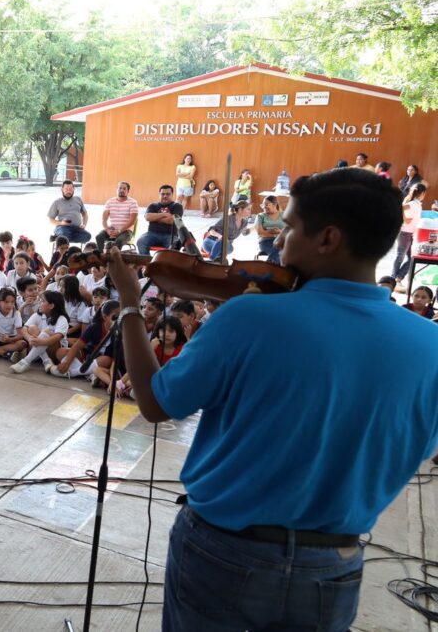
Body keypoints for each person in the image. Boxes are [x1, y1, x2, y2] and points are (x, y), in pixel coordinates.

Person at [104, 166, 438, 631]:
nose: (278, 242)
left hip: (224, 552)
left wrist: (129, 304)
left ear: (328, 239)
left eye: (289, 228)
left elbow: (157, 404)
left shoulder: (250, 317)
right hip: (334, 563)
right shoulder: (432, 347)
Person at [391, 183, 426, 287]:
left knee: (412, 258)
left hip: (410, 234)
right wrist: (404, 218)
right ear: (423, 193)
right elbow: (399, 207)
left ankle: (398, 277)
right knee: (400, 256)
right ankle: (394, 277)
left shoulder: (417, 204)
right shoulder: (412, 204)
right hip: (404, 233)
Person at [136, 185, 184, 255]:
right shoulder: (153, 205)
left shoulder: (177, 206)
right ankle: (147, 263)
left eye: (168, 194)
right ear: (159, 194)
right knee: (141, 241)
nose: (165, 196)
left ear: (172, 195)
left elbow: (172, 221)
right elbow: (147, 217)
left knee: (174, 245)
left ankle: (164, 265)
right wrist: (164, 215)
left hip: (170, 235)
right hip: (152, 234)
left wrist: (155, 218)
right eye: (162, 194)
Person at [95, 181, 140, 251]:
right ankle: (101, 257)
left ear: (128, 191)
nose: (122, 190)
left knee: (119, 241)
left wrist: (119, 231)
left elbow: (132, 221)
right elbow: (104, 219)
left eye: (124, 189)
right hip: (112, 229)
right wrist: (107, 230)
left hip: (126, 231)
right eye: (120, 188)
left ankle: (115, 259)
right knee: (99, 237)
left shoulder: (133, 203)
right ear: (117, 190)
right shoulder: (110, 201)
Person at [255, 195, 286, 265]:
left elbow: (289, 230)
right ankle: (270, 266)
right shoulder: (260, 216)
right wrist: (272, 232)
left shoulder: (284, 215)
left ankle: (269, 267)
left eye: (266, 204)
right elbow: (260, 233)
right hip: (266, 241)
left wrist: (280, 232)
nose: (264, 207)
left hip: (282, 241)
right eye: (263, 205)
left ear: (274, 204)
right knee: (279, 249)